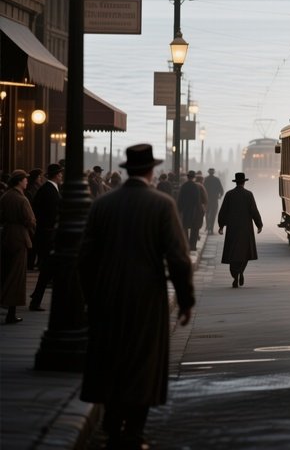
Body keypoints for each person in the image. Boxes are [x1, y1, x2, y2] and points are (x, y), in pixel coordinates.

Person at [78, 143, 194, 447]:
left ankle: (112, 425)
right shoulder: (161, 204)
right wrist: (185, 301)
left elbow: (85, 257)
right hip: (147, 295)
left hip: (107, 293)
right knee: (144, 359)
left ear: (128, 170)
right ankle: (134, 431)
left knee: (111, 356)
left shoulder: (102, 205)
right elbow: (178, 258)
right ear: (151, 171)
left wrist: (91, 296)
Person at [0, 170, 36, 324]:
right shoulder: (22, 199)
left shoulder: (5, 196)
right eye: (25, 179)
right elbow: (30, 220)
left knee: (6, 272)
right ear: (19, 181)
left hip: (6, 235)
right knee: (17, 276)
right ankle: (11, 313)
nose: (27, 181)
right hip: (20, 237)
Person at [218, 172, 263, 288]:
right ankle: (241, 271)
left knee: (233, 253)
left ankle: (235, 276)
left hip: (232, 228)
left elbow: (223, 211)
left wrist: (221, 226)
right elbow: (254, 211)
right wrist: (259, 225)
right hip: (245, 229)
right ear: (244, 182)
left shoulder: (229, 194)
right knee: (244, 253)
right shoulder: (249, 194)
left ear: (236, 182)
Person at [29, 162, 63, 311]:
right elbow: (52, 214)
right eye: (60, 173)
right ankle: (36, 300)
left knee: (48, 270)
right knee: (48, 270)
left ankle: (36, 298)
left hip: (46, 234)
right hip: (48, 236)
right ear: (56, 175)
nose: (61, 176)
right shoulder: (49, 190)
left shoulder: (47, 189)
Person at [177, 170, 207, 251]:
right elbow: (197, 200)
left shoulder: (184, 186)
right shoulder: (196, 186)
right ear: (194, 177)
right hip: (195, 210)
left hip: (185, 210)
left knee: (185, 228)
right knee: (195, 229)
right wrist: (200, 210)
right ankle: (192, 246)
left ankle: (186, 244)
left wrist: (179, 209)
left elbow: (180, 198)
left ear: (187, 177)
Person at [203, 168, 224, 233]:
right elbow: (221, 190)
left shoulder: (206, 179)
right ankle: (211, 228)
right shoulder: (217, 179)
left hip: (207, 199)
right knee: (213, 214)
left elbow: (203, 189)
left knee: (207, 213)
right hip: (214, 199)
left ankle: (207, 226)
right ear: (214, 172)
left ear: (208, 172)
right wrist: (220, 196)